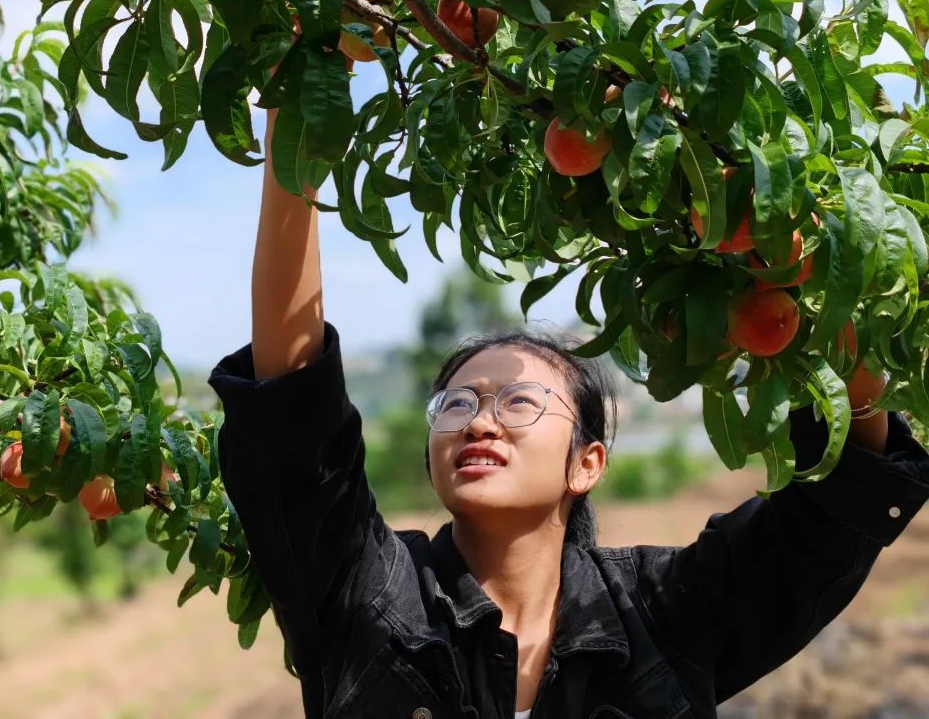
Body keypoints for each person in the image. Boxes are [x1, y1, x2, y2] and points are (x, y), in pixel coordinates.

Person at [208, 108, 929, 719]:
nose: (478, 422)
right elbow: (291, 412)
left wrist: (795, 265)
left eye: (519, 401)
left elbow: (840, 502)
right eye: (456, 403)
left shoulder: (665, 613)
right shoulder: (371, 594)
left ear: (587, 463)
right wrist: (295, 119)